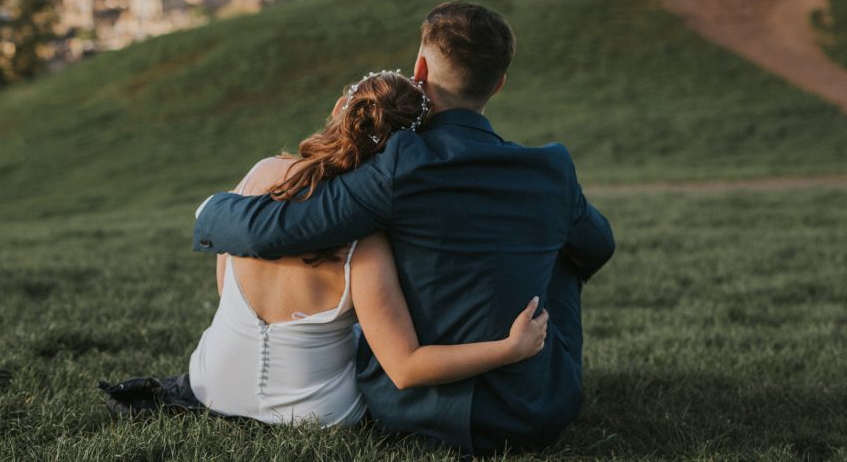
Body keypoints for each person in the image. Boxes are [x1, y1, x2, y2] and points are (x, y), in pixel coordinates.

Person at [194, 1, 616, 455]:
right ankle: (534, 366)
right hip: (535, 414)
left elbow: (274, 230)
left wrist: (212, 209)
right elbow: (599, 246)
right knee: (566, 255)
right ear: (498, 84)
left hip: (413, 414)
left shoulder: (399, 163)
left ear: (419, 69)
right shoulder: (551, 170)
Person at [100, 70, 549, 425]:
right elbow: (406, 367)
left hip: (210, 385)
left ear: (340, 109)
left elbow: (225, 290)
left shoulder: (261, 174)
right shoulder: (369, 240)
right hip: (317, 414)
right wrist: (510, 348)